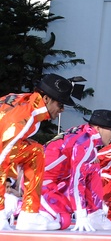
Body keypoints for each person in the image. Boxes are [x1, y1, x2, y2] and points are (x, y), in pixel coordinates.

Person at [1, 73, 79, 231]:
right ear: (46, 99)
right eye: (60, 104)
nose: (62, 110)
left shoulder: (26, 103)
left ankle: (30, 214)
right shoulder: (24, 117)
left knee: (35, 151)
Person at [40, 109, 111, 231]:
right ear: (98, 128)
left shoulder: (84, 134)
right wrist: (81, 214)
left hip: (53, 181)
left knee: (93, 165)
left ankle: (95, 215)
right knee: (62, 221)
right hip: (40, 183)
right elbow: (77, 180)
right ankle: (15, 204)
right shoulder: (85, 143)